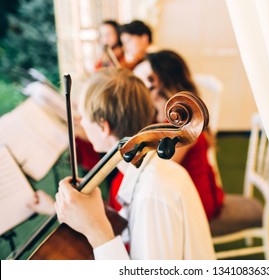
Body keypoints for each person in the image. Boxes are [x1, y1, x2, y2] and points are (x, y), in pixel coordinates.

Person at [28, 68, 215, 260]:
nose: (81, 122)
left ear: (103, 127)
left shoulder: (152, 194)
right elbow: (127, 232)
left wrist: (97, 231)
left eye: (83, 116)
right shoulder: (146, 173)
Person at [133, 50, 224, 220]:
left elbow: (157, 169)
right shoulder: (160, 115)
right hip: (176, 193)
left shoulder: (185, 122)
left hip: (194, 203)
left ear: (157, 82)